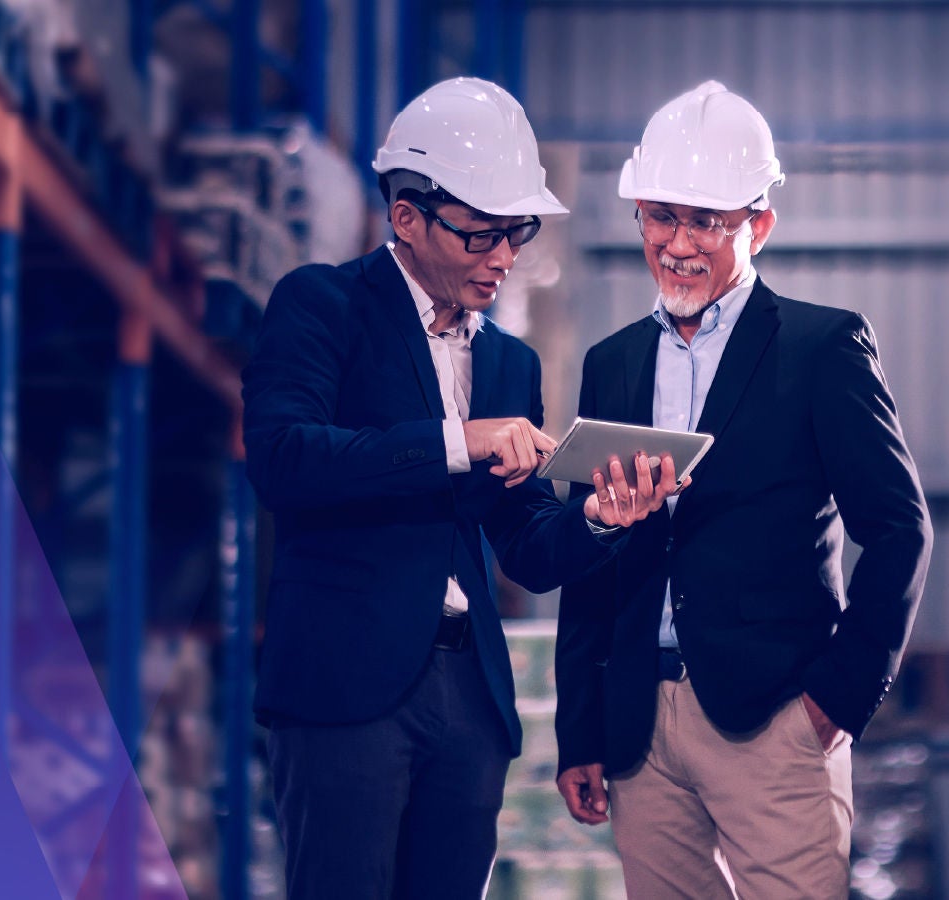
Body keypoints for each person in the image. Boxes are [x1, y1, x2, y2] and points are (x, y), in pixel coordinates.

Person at [242, 76, 683, 899]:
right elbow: (283, 459)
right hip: (348, 688)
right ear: (405, 218)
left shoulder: (509, 363)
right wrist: (456, 441)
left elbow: (524, 542)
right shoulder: (322, 306)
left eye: (514, 234)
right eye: (481, 236)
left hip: (466, 701)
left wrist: (596, 518)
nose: (504, 258)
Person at [553, 81, 934, 899]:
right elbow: (593, 558)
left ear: (758, 224)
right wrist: (579, 726)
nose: (678, 243)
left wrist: (836, 700)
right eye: (660, 216)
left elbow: (900, 530)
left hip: (774, 720)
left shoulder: (821, 348)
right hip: (637, 730)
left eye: (706, 220)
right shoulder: (612, 364)